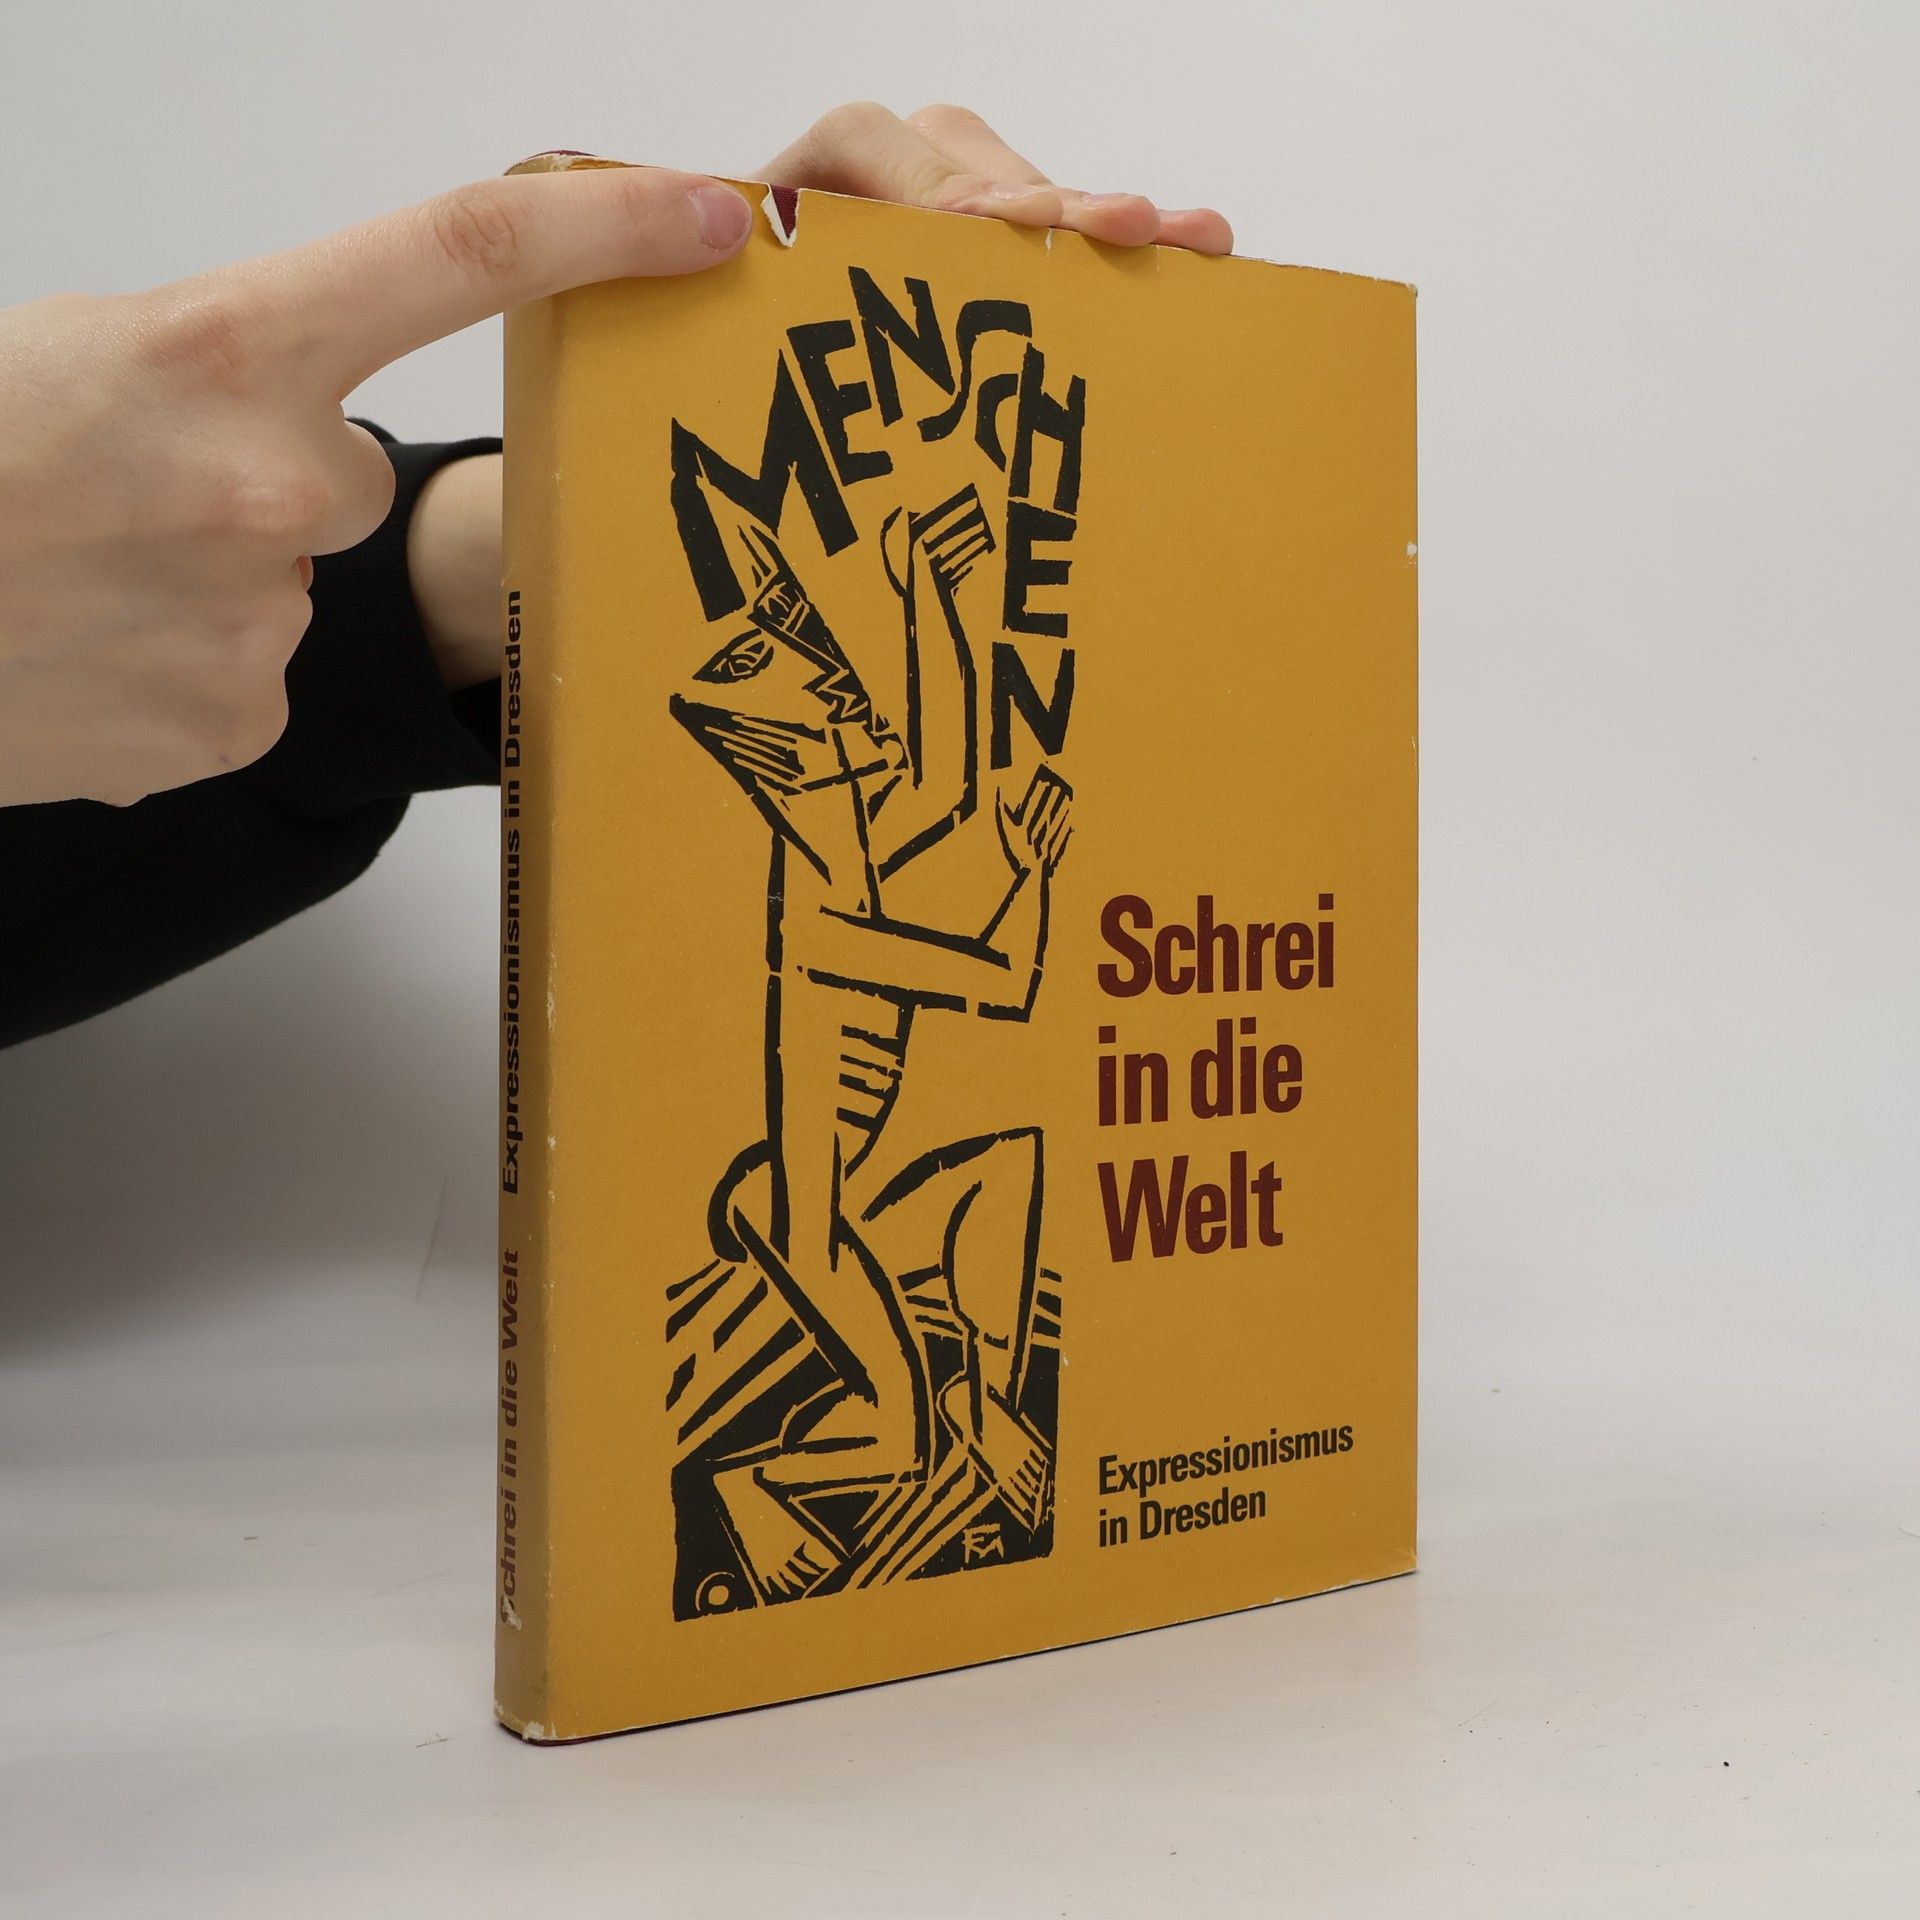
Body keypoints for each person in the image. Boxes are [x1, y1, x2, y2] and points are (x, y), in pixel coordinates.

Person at [0, 104, 1230, 1049]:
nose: (852, 706)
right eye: (826, 690)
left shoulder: (853, 847)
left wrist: (593, 528)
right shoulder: (826, 904)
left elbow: (947, 777)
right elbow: (993, 957)